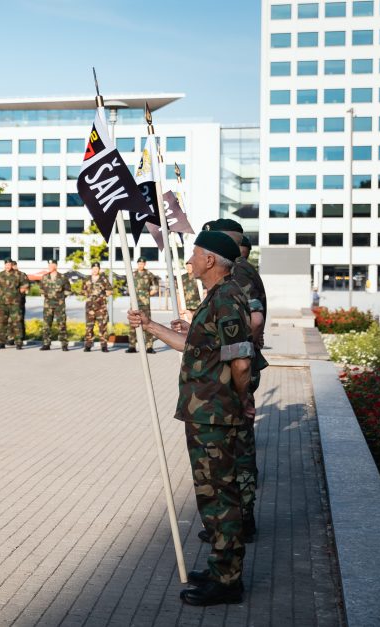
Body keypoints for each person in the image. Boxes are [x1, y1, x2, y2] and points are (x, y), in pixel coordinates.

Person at [127, 230, 254, 606]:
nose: (190, 261)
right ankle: (220, 568)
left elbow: (242, 361)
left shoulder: (228, 299)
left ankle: (228, 581)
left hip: (216, 413)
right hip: (206, 412)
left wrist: (242, 399)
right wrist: (150, 326)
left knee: (220, 496)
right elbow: (192, 345)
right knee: (210, 495)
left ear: (211, 260)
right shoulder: (217, 297)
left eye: (195, 254)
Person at [203, 220, 268, 544]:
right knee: (240, 445)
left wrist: (244, 346)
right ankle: (240, 518)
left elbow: (253, 319)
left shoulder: (237, 274)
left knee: (238, 448)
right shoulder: (245, 270)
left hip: (236, 373)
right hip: (241, 366)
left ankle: (240, 520)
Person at [126, 257, 159, 354]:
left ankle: (149, 347)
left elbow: (155, 286)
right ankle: (132, 346)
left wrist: (150, 293)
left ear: (145, 264)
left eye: (142, 263)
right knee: (133, 324)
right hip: (134, 303)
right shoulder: (133, 274)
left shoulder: (149, 274)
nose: (141, 265)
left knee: (147, 324)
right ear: (137, 264)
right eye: (139, 263)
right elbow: (128, 286)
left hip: (145, 304)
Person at [0, 258, 28, 349]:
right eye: (6, 264)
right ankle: (1, 342)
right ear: (4, 265)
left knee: (16, 322)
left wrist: (21, 291)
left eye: (9, 264)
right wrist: (1, 291)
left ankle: (18, 342)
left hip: (15, 303)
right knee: (2, 322)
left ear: (12, 265)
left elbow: (25, 284)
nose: (7, 266)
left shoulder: (19, 274)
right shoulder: (1, 274)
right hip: (3, 303)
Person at [39, 259, 71, 351]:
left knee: (61, 324)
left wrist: (61, 298)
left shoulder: (62, 277)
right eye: (49, 265)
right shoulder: (44, 277)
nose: (49, 267)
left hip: (59, 305)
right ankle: (46, 344)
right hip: (48, 305)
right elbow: (41, 289)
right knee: (46, 324)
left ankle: (64, 344)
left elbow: (68, 290)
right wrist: (45, 296)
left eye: (51, 265)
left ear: (56, 266)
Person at [82, 261, 113, 352]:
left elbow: (110, 290)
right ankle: (88, 345)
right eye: (93, 268)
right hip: (90, 308)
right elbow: (82, 291)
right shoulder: (86, 279)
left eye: (97, 269)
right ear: (91, 269)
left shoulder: (104, 279)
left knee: (102, 327)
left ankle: (104, 346)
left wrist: (103, 295)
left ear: (99, 269)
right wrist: (89, 295)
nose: (95, 270)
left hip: (101, 308)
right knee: (89, 327)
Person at [12, 260, 28, 340]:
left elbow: (25, 286)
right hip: (10, 302)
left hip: (19, 300)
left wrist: (18, 293)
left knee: (20, 318)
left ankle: (21, 336)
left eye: (13, 266)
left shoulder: (22, 275)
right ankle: (11, 337)